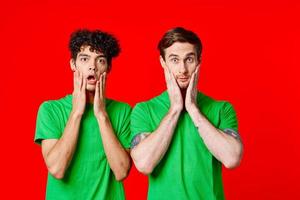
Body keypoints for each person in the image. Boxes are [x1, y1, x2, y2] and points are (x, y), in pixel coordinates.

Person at [130, 27, 243, 200]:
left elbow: (232, 158)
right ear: (163, 62)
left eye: (189, 59)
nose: (182, 69)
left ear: (199, 61)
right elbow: (144, 164)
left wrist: (192, 107)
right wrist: (175, 108)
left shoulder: (221, 109)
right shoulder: (144, 110)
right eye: (174, 60)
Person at [34, 29, 131, 200]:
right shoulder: (50, 110)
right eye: (84, 59)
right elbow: (57, 168)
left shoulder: (123, 111)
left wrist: (102, 115)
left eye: (100, 60)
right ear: (73, 64)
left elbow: (121, 171)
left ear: (108, 67)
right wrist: (76, 112)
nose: (92, 66)